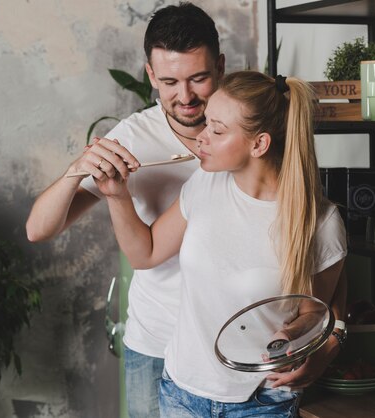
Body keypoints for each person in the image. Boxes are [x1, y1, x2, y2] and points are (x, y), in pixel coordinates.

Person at [94, 70, 347, 417]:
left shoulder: (321, 222)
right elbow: (145, 253)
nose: (202, 138)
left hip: (261, 402)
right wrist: (117, 195)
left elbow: (317, 312)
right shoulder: (204, 185)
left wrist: (297, 339)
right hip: (181, 393)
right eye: (206, 123)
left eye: (217, 129)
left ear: (259, 144)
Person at [25, 3, 224, 417]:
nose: (184, 97)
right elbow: (37, 230)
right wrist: (73, 172)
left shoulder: (249, 128)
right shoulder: (132, 136)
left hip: (230, 347)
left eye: (198, 78)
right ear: (150, 75)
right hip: (157, 346)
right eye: (168, 81)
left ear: (220, 66)